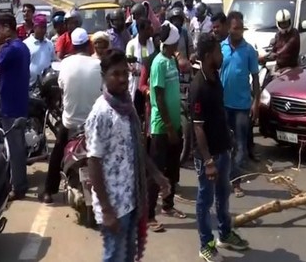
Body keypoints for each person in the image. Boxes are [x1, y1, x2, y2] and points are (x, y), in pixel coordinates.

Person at [85, 49, 170, 262]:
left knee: (128, 255)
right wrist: (106, 209)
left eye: (125, 72)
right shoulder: (101, 113)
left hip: (132, 198)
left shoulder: (126, 105)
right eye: (116, 74)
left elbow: (136, 148)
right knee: (114, 256)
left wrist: (157, 175)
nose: (123, 78)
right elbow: (93, 162)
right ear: (104, 75)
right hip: (113, 204)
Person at [191, 33, 248, 262]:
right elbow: (198, 128)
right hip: (208, 157)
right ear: (207, 56)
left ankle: (225, 233)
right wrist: (208, 161)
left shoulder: (215, 77)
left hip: (223, 150)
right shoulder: (198, 87)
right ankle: (206, 244)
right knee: (205, 202)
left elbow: (218, 114)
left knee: (223, 196)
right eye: (217, 51)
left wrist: (229, 137)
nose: (221, 54)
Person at [40, 27, 103, 204]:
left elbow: (60, 86)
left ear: (73, 47)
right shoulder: (98, 65)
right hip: (94, 124)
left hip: (70, 124)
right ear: (88, 45)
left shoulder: (65, 64)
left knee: (57, 151)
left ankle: (48, 192)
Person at [0, 14, 30, 200]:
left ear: (7, 28)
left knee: (15, 147)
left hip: (11, 104)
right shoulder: (22, 46)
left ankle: (18, 187)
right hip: (18, 101)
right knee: (16, 145)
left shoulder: (9, 49)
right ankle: (18, 182)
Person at [147, 21, 186, 231]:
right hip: (162, 128)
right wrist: (170, 127)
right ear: (169, 43)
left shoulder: (171, 60)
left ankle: (168, 205)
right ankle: (149, 215)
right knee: (156, 172)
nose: (177, 45)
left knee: (172, 170)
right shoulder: (159, 63)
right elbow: (159, 98)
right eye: (176, 42)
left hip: (174, 126)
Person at [220, 11, 259, 198]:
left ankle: (236, 182)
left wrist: (256, 102)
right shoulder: (220, 48)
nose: (239, 32)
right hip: (223, 105)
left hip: (242, 106)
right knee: (225, 145)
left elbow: (256, 78)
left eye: (241, 29)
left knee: (241, 147)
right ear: (228, 28)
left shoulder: (249, 50)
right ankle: (227, 179)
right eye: (236, 29)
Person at [126, 19, 155, 110]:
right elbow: (128, 62)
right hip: (136, 81)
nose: (151, 30)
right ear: (141, 30)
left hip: (149, 82)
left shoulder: (152, 43)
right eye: (148, 28)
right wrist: (131, 68)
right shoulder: (131, 44)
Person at [24, 14, 56, 87]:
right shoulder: (26, 44)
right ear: (34, 27)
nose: (43, 30)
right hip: (30, 85)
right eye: (41, 28)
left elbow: (53, 60)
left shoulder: (49, 44)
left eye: (44, 28)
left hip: (46, 85)